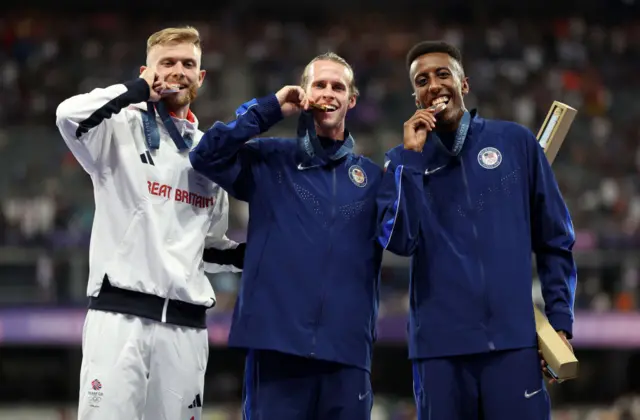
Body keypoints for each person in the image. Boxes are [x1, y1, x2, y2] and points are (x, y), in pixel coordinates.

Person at [377, 40, 578, 420]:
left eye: (442, 74)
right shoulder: (401, 161)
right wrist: (411, 160)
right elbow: (401, 240)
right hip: (438, 351)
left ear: (463, 84)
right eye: (422, 80)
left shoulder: (516, 143)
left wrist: (559, 322)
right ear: (415, 96)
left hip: (513, 344)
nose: (433, 85)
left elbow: (555, 240)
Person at [55, 26, 244, 420]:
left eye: (188, 64)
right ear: (146, 70)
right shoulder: (117, 127)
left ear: (201, 76)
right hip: (118, 320)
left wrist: (265, 250)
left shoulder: (209, 154)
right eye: (167, 63)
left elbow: (209, 247)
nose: (178, 71)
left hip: (185, 331)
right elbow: (67, 116)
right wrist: (137, 90)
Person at [190, 52, 383, 420]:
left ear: (351, 100)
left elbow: (405, 238)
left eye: (338, 86)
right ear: (305, 93)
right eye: (320, 84)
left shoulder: (373, 180)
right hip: (275, 350)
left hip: (347, 355)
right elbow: (206, 156)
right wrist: (271, 108)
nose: (329, 92)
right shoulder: (270, 159)